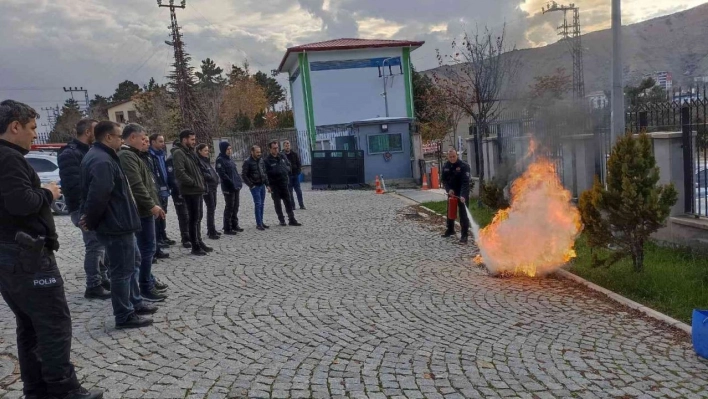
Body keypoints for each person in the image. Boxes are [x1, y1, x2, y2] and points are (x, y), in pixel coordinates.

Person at [0, 100, 104, 399]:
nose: (35, 135)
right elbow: (21, 203)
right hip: (28, 256)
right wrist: (47, 192)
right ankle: (63, 390)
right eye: (32, 128)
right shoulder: (8, 158)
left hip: (12, 255)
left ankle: (37, 389)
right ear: (14, 126)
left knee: (30, 325)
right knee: (54, 323)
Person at [80, 121, 157, 330]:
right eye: (119, 136)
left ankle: (135, 301)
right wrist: (92, 222)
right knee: (121, 271)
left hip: (121, 223)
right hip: (116, 225)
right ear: (108, 137)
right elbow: (98, 196)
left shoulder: (103, 156)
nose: (121, 140)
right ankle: (124, 314)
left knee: (133, 263)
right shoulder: (101, 160)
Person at [57, 118, 111, 300]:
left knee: (101, 245)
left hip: (93, 206)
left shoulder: (90, 151)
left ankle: (103, 279)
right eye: (96, 131)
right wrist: (87, 210)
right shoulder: (69, 154)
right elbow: (73, 185)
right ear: (88, 132)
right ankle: (93, 285)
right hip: (82, 208)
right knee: (94, 246)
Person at [118, 125, 168, 302]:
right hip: (142, 211)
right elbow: (136, 185)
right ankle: (145, 286)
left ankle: (148, 281)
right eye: (142, 138)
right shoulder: (126, 156)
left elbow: (147, 183)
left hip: (146, 209)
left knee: (148, 249)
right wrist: (152, 205)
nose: (144, 141)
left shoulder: (134, 155)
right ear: (132, 137)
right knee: (147, 249)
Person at [172, 130, 211, 255]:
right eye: (192, 140)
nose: (194, 142)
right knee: (193, 218)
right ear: (184, 140)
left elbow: (197, 169)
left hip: (197, 190)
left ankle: (199, 241)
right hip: (190, 190)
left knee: (198, 217)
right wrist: (194, 183)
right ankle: (195, 245)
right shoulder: (179, 153)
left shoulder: (189, 152)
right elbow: (180, 173)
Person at [148, 133, 177, 248]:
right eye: (160, 141)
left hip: (165, 187)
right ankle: (158, 238)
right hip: (157, 188)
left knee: (164, 212)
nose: (163, 144)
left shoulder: (162, 154)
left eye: (163, 141)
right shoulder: (151, 155)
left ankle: (163, 235)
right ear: (153, 142)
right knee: (158, 214)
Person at [264, 140, 301, 227]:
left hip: (284, 183)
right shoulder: (267, 160)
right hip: (274, 184)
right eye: (274, 148)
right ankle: (281, 220)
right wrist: (267, 185)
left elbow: (288, 164)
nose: (276, 150)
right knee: (277, 203)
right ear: (270, 149)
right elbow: (264, 173)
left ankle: (292, 219)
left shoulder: (282, 156)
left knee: (288, 202)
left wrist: (287, 170)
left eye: (277, 148)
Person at [441, 148, 472, 244]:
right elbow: (444, 180)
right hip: (451, 193)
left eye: (454, 156)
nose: (452, 158)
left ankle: (464, 235)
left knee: (463, 214)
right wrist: (448, 189)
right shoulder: (446, 166)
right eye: (450, 157)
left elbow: (465, 182)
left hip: (462, 193)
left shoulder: (464, 166)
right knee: (450, 211)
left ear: (457, 155)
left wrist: (463, 195)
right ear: (448, 157)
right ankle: (450, 229)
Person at [166, 139, 191, 248]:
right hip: (178, 192)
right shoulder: (171, 160)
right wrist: (180, 190)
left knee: (190, 214)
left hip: (188, 190)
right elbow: (172, 178)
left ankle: (191, 235)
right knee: (183, 216)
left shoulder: (186, 157)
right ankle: (185, 238)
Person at [215, 141, 244, 235]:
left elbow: (235, 173)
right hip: (228, 188)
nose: (230, 151)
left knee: (236, 206)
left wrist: (239, 182)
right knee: (229, 207)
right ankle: (227, 228)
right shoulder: (220, 160)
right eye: (228, 149)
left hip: (235, 187)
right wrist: (232, 184)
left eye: (230, 149)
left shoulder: (230, 159)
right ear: (223, 149)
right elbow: (223, 175)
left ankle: (235, 224)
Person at [242, 145, 270, 230]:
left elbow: (264, 173)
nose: (259, 154)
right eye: (257, 152)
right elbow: (244, 175)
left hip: (262, 185)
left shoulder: (261, 160)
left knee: (262, 204)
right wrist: (251, 185)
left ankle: (261, 222)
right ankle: (258, 224)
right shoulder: (247, 162)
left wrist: (267, 185)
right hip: (255, 186)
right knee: (258, 204)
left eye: (260, 152)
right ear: (252, 152)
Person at [196, 144, 220, 240]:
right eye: (205, 150)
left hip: (213, 187)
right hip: (207, 188)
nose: (207, 152)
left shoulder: (206, 160)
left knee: (213, 207)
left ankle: (212, 229)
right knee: (210, 208)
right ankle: (211, 230)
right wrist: (210, 177)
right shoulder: (199, 161)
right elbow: (203, 174)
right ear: (199, 151)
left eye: (207, 150)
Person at [282, 140, 306, 210]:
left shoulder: (294, 154)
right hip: (287, 176)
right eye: (286, 146)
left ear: (290, 146)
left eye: (288, 145)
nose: (287, 147)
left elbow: (298, 163)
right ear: (284, 147)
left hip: (295, 175)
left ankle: (301, 205)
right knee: (290, 192)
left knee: (298, 191)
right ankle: (293, 206)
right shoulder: (282, 155)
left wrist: (298, 171)